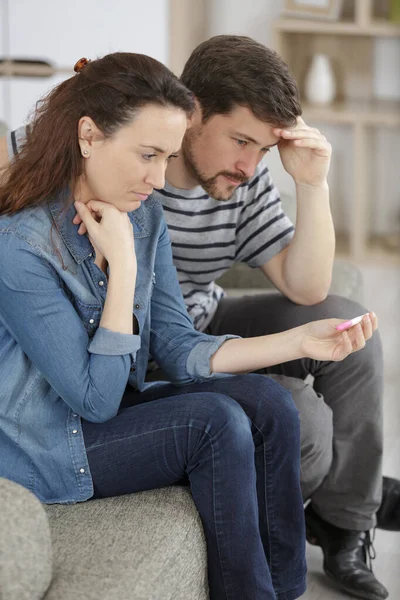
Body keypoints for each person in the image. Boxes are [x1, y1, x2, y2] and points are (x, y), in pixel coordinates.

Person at [0, 51, 378, 600]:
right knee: (212, 422)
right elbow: (94, 400)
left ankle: (285, 590)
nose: (159, 180)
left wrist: (298, 341)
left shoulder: (143, 213)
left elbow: (177, 346)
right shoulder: (20, 248)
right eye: (148, 155)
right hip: (46, 444)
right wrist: (124, 270)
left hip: (103, 408)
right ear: (89, 136)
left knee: (268, 405)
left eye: (168, 157)